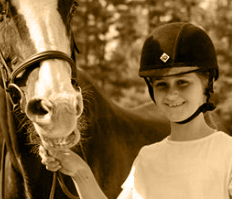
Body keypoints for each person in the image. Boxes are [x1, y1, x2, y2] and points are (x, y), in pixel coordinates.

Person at [40, 22, 232, 199]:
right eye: (162, 85)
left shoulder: (227, 154)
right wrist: (79, 171)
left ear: (207, 83)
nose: (171, 95)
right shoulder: (147, 158)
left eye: (182, 83)